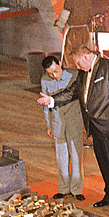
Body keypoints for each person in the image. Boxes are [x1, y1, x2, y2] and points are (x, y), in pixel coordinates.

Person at [37, 45, 109, 215]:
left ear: (86, 57)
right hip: (95, 126)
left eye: (79, 64)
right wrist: (51, 100)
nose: (77, 67)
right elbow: (71, 92)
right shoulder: (83, 73)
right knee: (103, 162)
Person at [40, 54, 84, 201]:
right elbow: (46, 106)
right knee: (61, 157)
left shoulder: (74, 75)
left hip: (73, 120)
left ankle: (76, 189)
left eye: (56, 71)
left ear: (60, 63)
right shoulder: (45, 81)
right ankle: (63, 189)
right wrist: (49, 125)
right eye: (50, 74)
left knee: (76, 155)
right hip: (58, 122)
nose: (54, 76)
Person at [55, 0, 92, 70]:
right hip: (84, 31)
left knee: (71, 59)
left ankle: (69, 78)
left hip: (73, 33)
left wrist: (60, 25)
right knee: (83, 57)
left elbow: (64, 16)